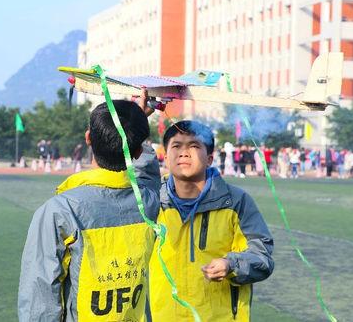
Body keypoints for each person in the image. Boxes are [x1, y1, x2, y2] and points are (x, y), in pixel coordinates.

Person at [18, 94, 161, 322]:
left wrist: (135, 124)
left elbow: (40, 295)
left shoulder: (60, 210)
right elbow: (149, 177)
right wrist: (135, 127)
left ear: (88, 138)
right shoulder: (150, 202)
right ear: (137, 152)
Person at [148, 120, 274, 322]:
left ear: (209, 158)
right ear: (166, 155)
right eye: (176, 146)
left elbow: (263, 257)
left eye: (194, 146)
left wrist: (231, 264)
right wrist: (138, 119)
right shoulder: (152, 201)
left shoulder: (235, 202)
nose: (184, 152)